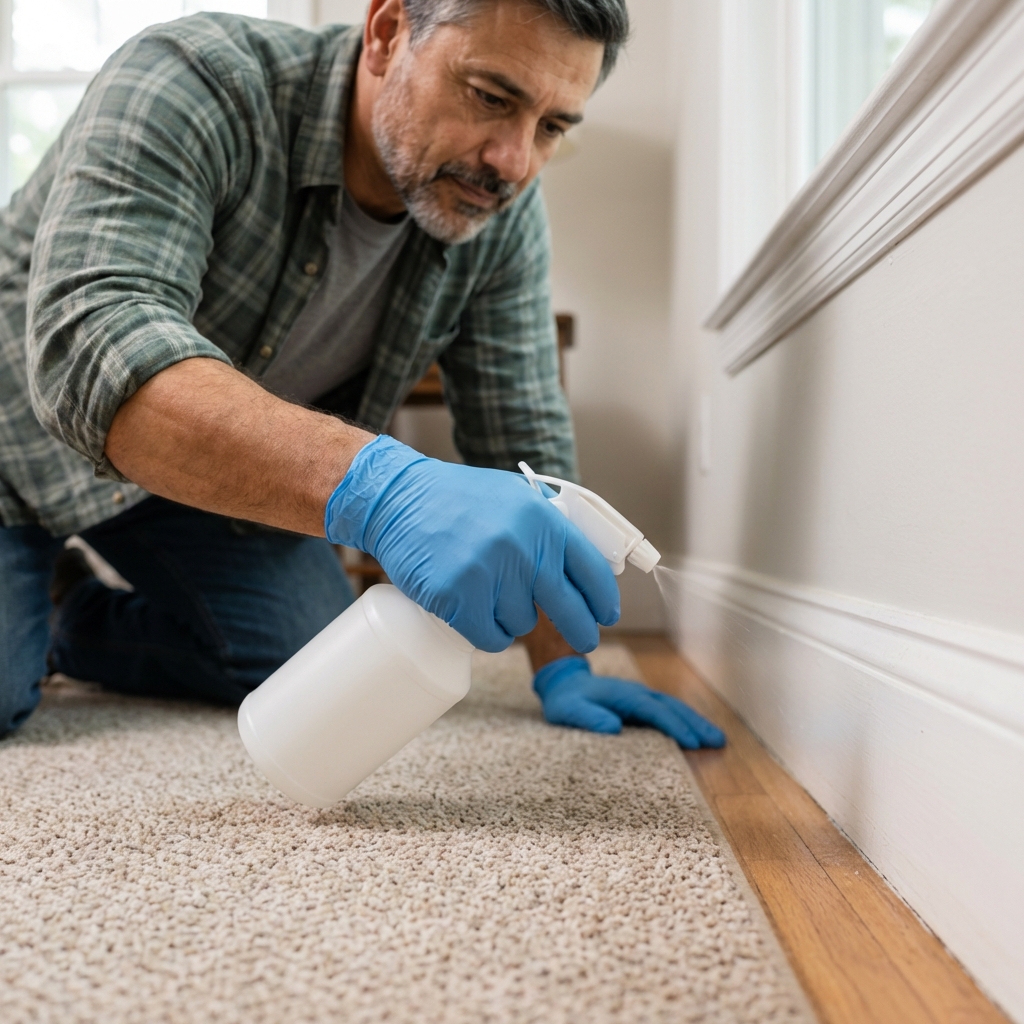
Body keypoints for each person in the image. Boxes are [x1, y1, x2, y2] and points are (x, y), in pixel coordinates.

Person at [0, 0, 724, 752]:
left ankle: (68, 615)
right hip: (15, 448)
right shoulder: (197, 78)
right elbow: (94, 343)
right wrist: (384, 489)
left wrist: (561, 666)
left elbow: (522, 429)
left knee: (307, 651)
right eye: (490, 96)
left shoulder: (498, 213)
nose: (513, 161)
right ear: (386, 34)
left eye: (551, 127)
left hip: (196, 480)